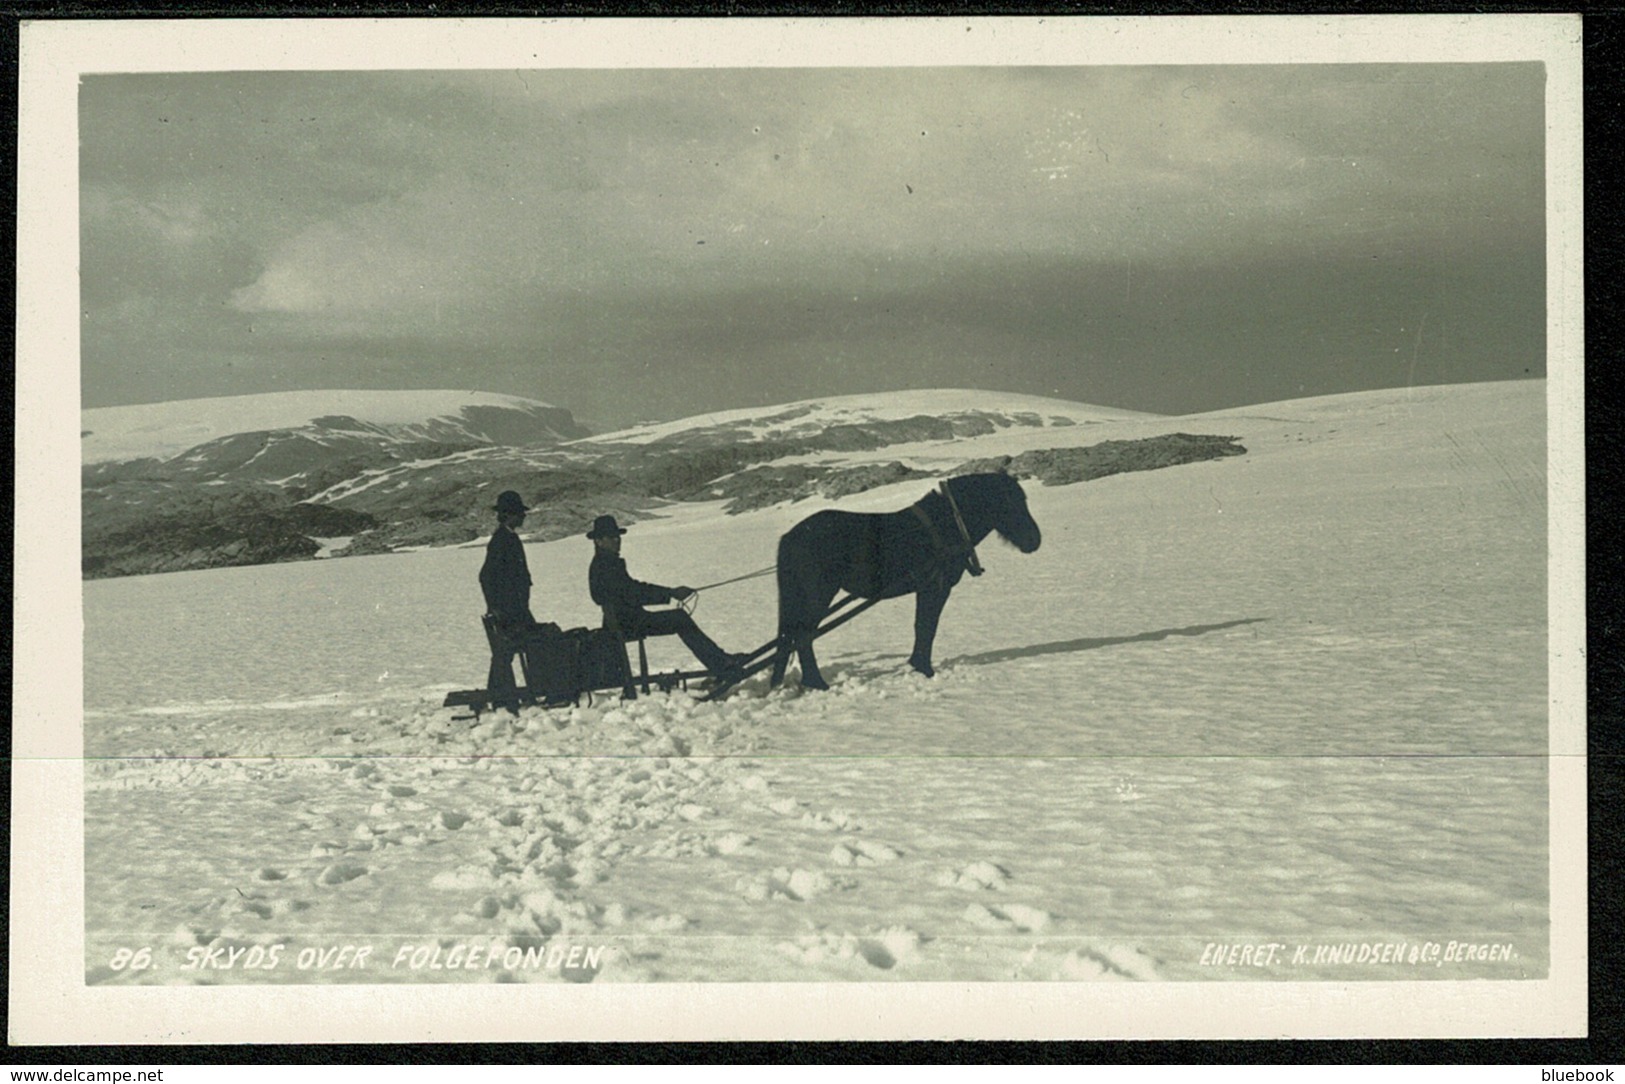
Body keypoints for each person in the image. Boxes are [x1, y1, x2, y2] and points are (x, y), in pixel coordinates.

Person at [586, 514, 745, 680]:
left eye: (617, 537)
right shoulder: (604, 565)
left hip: (625, 621)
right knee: (680, 619)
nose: (617, 541)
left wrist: (669, 593)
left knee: (679, 619)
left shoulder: (605, 563)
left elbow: (632, 590)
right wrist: (671, 593)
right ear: (599, 541)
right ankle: (721, 663)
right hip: (628, 623)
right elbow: (632, 591)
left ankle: (720, 660)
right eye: (611, 537)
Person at [480, 490, 536, 710]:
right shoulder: (501, 540)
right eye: (519, 513)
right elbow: (486, 576)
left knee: (505, 653)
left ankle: (500, 696)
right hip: (511, 609)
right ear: (509, 515)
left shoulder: (508, 537)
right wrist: (496, 607)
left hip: (517, 607)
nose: (523, 516)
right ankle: (502, 697)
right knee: (509, 651)